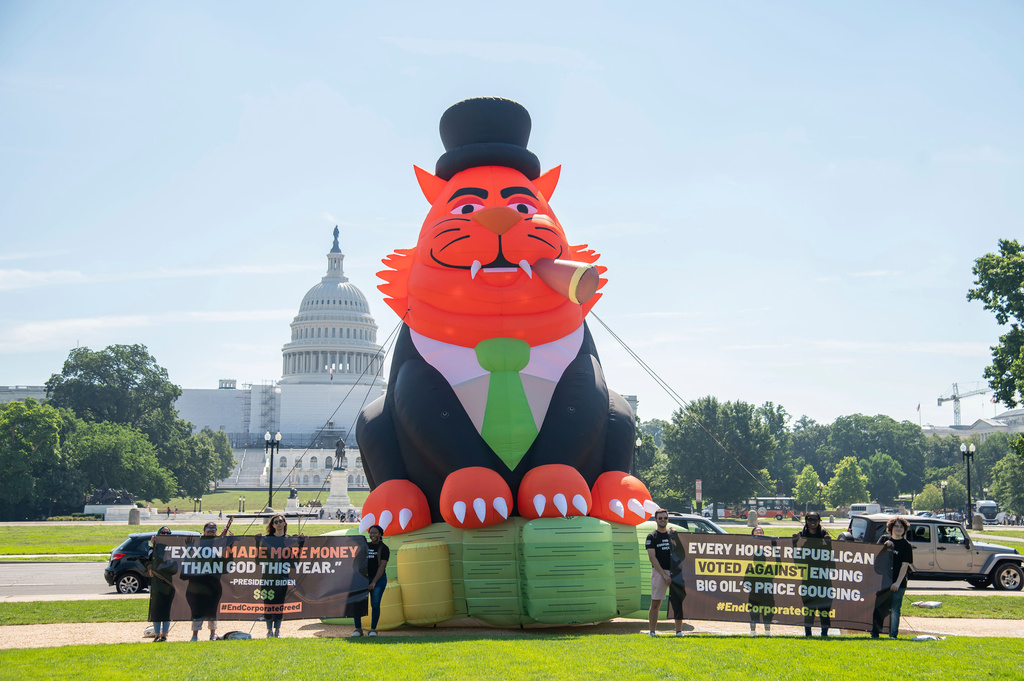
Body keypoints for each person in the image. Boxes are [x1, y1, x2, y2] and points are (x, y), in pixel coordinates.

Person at [260, 514, 303, 638]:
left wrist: (301, 543)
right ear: (272, 525)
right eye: (276, 522)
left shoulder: (290, 540)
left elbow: (294, 561)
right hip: (268, 576)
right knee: (267, 604)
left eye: (280, 521)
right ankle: (269, 630)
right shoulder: (267, 539)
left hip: (282, 577)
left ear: (285, 523)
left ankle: (277, 629)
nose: (278, 523)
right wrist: (257, 542)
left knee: (280, 604)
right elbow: (258, 558)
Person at [187, 521, 230, 641]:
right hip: (198, 583)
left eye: (214, 528)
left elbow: (224, 560)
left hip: (214, 583)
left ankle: (212, 634)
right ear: (204, 529)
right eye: (209, 528)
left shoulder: (219, 542)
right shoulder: (198, 542)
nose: (211, 530)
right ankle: (195, 635)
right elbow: (192, 559)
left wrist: (229, 543)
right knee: (197, 610)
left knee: (212, 610)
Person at [872, 516, 913, 639]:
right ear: (891, 528)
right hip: (883, 582)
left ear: (904, 529)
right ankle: (875, 633)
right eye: (896, 526)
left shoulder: (906, 545)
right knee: (879, 607)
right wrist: (885, 547)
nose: (899, 529)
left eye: (901, 527)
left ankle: (893, 635)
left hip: (898, 584)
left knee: (895, 610)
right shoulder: (884, 539)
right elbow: (875, 556)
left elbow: (904, 566)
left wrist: (897, 583)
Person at [645, 509, 683, 637]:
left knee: (677, 601)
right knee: (656, 602)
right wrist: (664, 575)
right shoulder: (651, 537)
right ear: (655, 520)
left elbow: (681, 553)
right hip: (659, 572)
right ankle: (652, 632)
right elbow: (652, 558)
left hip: (675, 573)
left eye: (665, 518)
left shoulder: (672, 535)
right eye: (660, 518)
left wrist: (676, 537)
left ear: (668, 520)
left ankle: (678, 631)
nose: (663, 520)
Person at [794, 512, 833, 637]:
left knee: (824, 609)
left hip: (823, 577)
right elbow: (797, 562)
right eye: (810, 519)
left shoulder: (824, 535)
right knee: (809, 609)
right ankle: (808, 634)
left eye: (815, 519)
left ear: (819, 521)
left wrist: (829, 544)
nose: (813, 522)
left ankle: (824, 634)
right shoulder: (801, 535)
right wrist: (794, 543)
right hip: (808, 577)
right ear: (806, 521)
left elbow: (831, 560)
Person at [352, 524, 390, 637]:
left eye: (375, 533)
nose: (372, 535)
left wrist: (373, 582)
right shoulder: (365, 546)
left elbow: (382, 567)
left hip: (378, 579)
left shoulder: (384, 548)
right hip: (364, 578)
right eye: (371, 533)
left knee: (375, 604)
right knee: (357, 602)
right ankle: (358, 629)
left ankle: (373, 629)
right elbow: (357, 562)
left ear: (380, 534)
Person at [147, 527, 176, 642]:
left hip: (169, 582)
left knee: (167, 608)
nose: (165, 534)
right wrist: (154, 545)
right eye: (163, 533)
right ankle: (156, 634)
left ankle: (164, 635)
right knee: (156, 607)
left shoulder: (173, 549)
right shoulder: (152, 548)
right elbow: (149, 561)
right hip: (155, 582)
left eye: (168, 533)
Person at [747, 526, 776, 636]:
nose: (759, 533)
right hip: (754, 594)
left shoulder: (768, 544)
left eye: (761, 531)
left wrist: (773, 544)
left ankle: (767, 632)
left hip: (767, 594)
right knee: (753, 613)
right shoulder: (748, 545)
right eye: (756, 531)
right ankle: (753, 632)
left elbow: (777, 562)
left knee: (767, 613)